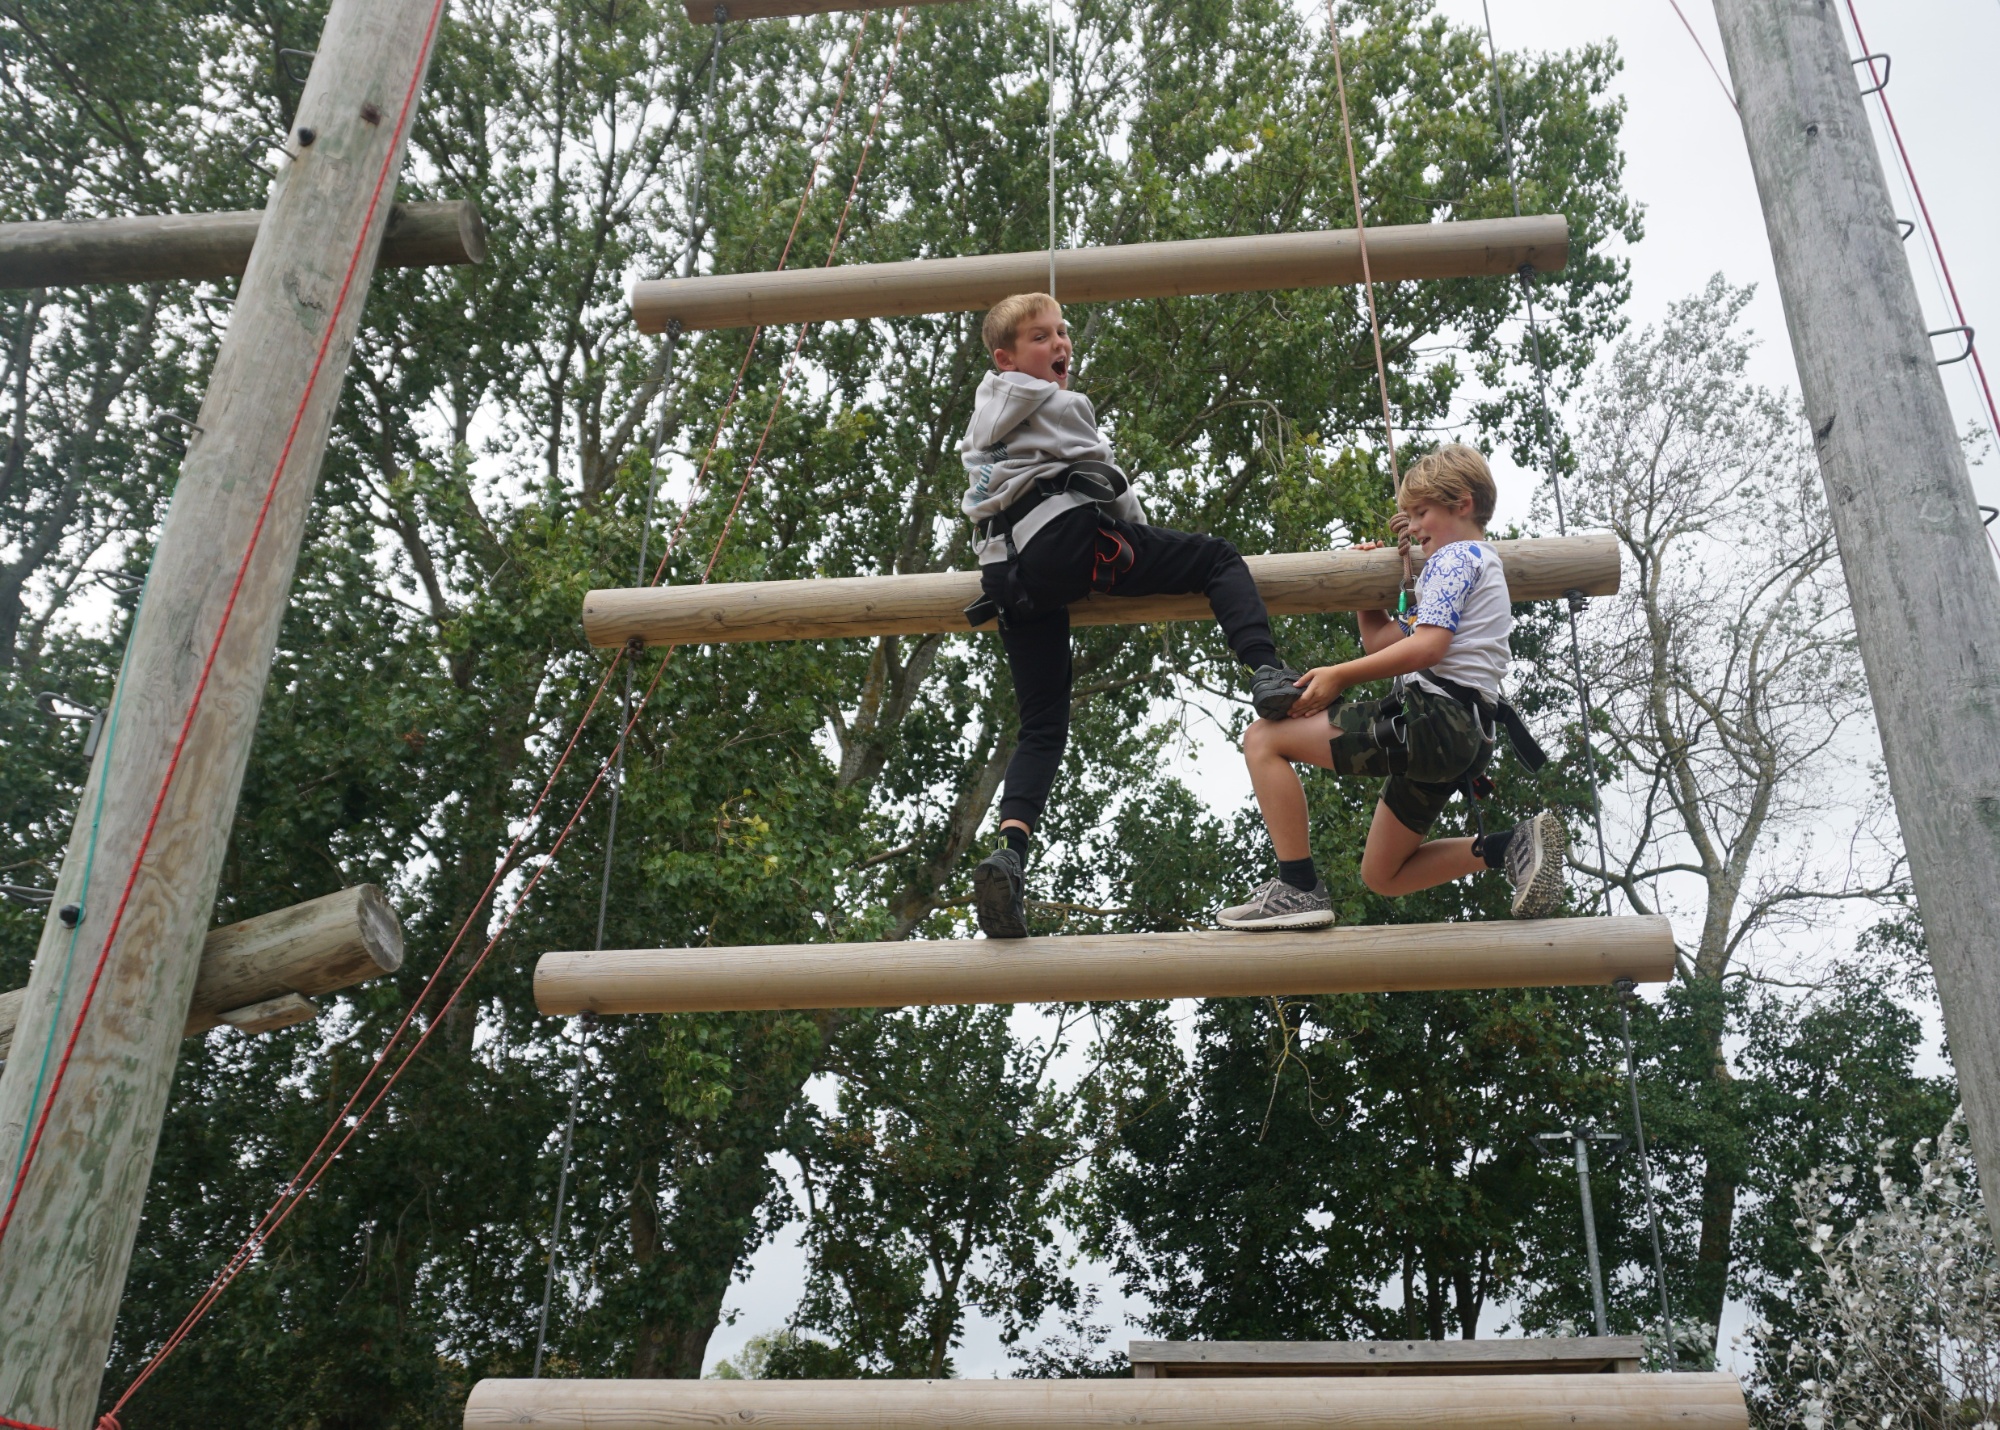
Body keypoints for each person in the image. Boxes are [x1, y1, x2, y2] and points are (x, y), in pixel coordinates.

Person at [962, 292, 1304, 939]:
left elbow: (982, 502)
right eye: (1042, 337)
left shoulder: (979, 431)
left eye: (1062, 332)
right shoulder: (1063, 404)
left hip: (1007, 574)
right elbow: (1109, 481)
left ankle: (1010, 851)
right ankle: (1266, 670)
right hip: (1064, 541)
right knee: (1216, 559)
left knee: (1041, 726)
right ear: (1005, 359)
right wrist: (1140, 539)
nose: (1060, 344)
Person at [1217, 443, 1568, 931]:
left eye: (1422, 513)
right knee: (1384, 874)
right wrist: (1367, 595)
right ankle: (1509, 846)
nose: (1415, 526)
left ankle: (1297, 886)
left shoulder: (1453, 560)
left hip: (1434, 720)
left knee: (1263, 739)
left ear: (1462, 504)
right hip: (1464, 735)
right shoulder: (1476, 565)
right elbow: (1384, 642)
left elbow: (1428, 647)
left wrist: (1340, 674)